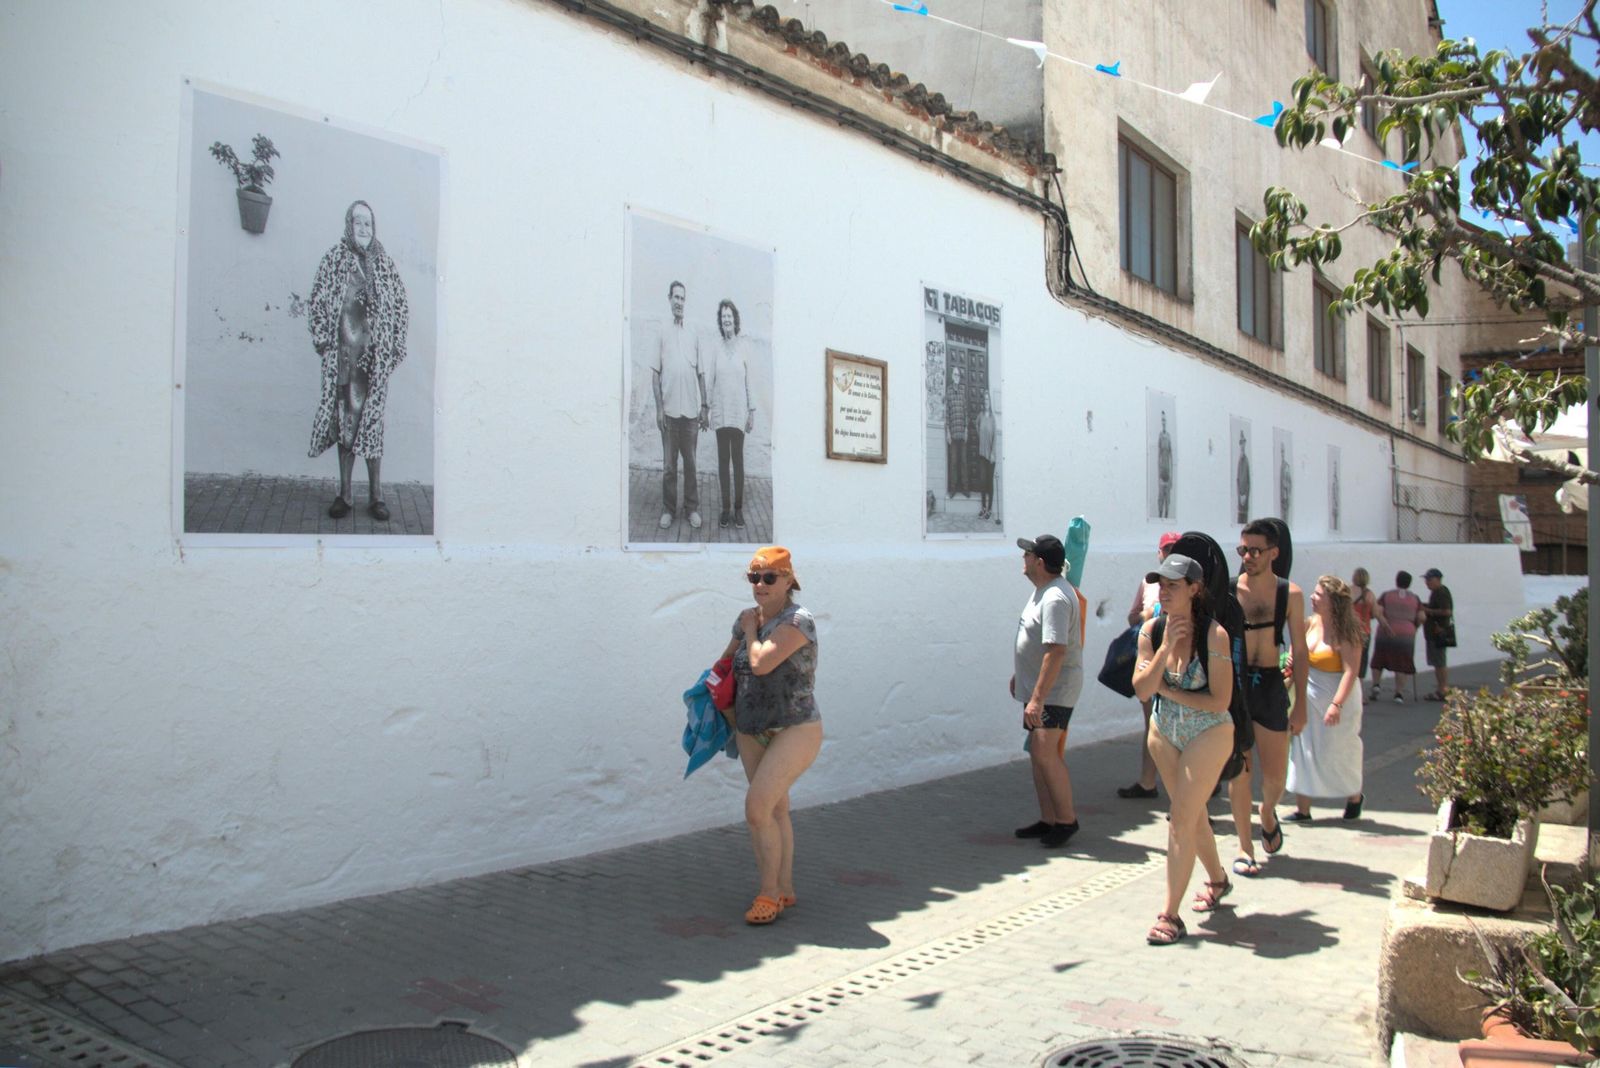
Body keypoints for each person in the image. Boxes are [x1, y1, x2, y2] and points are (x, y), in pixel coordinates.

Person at [714, 546, 821, 925]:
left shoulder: (798, 620)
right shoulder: (747, 618)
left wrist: (749, 630)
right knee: (775, 809)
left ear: (789, 580)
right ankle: (785, 887)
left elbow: (760, 663)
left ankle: (768, 894)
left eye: (769, 577)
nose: (760, 584)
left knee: (756, 807)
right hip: (750, 727)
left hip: (796, 727)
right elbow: (727, 663)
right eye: (753, 577)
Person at [1133, 553, 1236, 945]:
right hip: (1164, 732)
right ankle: (1218, 880)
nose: (1165, 591)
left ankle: (1170, 915)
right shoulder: (1152, 630)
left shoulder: (1215, 635)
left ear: (1195, 589)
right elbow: (1141, 689)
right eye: (1161, 584)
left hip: (1209, 732)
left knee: (1180, 817)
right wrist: (1163, 652)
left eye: (1173, 585)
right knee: (1191, 816)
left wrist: (1169, 689)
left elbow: (1219, 701)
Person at [307, 200, 410, 521]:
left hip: (374, 365)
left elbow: (401, 307)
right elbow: (317, 301)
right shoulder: (334, 260)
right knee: (345, 426)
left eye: (368, 223)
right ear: (348, 226)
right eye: (357, 223)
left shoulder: (384, 264)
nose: (363, 229)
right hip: (345, 363)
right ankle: (345, 494)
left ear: (373, 226)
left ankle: (376, 496)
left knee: (373, 427)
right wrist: (324, 342)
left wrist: (394, 347)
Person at [1227, 519, 1307, 876]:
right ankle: (1245, 847)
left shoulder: (1289, 593)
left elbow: (1300, 651)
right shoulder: (1228, 591)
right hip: (1238, 687)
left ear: (1274, 553)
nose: (1248, 557)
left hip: (1272, 684)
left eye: (1255, 551)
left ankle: (1267, 811)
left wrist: (1301, 704)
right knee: (1239, 771)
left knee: (1274, 776)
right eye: (1243, 550)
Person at [1011, 534, 1084, 848]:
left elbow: (1055, 650)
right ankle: (1048, 819)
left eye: (1027, 554)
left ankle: (1066, 821)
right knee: (1038, 755)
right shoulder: (1043, 591)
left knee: (1045, 752)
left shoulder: (1055, 597)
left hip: (1054, 691)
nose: (1023, 559)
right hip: (1040, 688)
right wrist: (1022, 677)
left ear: (1039, 562)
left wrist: (1038, 698)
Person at [1285, 576, 1366, 821]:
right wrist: (1291, 661)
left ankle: (1354, 796)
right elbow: (1296, 652)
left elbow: (1351, 671)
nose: (1312, 597)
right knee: (1303, 748)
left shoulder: (1348, 631)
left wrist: (1336, 705)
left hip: (1338, 696)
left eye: (1318, 594)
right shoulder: (1309, 624)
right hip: (1308, 696)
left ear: (1332, 601)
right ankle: (1303, 809)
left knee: (1339, 750)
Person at [1118, 531, 1182, 800]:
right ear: (1159, 553)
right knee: (1152, 723)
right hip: (1151, 657)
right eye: (1166, 549)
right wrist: (1149, 614)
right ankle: (1147, 782)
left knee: (1179, 726)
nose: (1169, 553)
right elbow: (1132, 617)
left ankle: (1189, 788)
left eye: (1174, 549)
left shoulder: (1188, 581)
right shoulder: (1149, 582)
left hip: (1178, 663)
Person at [653, 281, 709, 531]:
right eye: (675, 297)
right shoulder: (662, 331)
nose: (679, 302)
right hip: (669, 413)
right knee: (668, 467)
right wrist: (657, 409)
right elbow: (655, 374)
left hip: (690, 414)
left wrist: (704, 406)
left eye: (682, 298)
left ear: (685, 301)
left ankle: (692, 508)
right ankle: (668, 509)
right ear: (669, 299)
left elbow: (701, 373)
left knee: (691, 465)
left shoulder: (693, 333)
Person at [707, 299, 755, 530]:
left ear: (735, 320)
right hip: (720, 412)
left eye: (730, 316)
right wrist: (705, 407)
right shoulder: (716, 348)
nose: (727, 320)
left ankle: (738, 509)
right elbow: (710, 380)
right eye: (723, 316)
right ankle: (725, 509)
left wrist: (752, 411)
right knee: (723, 462)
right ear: (721, 321)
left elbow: (749, 382)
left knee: (738, 461)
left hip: (738, 414)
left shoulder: (744, 347)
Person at [1369, 571, 1423, 703]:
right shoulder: (1415, 598)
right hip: (1406, 634)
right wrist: (1415, 627)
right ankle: (1398, 693)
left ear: (1396, 580)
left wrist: (1385, 623)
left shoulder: (1387, 595)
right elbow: (1422, 616)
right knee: (1402, 664)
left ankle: (1376, 685)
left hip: (1386, 631)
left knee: (1379, 659)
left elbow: (1377, 611)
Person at [1420, 568, 1454, 700]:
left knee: (1440, 662)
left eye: (1429, 580)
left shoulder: (1441, 592)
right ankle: (1441, 688)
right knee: (1437, 662)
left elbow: (1447, 611)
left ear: (1438, 579)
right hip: (1434, 632)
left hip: (1439, 631)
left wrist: (1427, 610)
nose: (1427, 582)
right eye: (1426, 580)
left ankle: (1443, 689)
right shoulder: (1436, 592)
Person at [1350, 567, 1377, 680]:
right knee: (1362, 661)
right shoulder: (1370, 594)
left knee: (1349, 660)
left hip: (1350, 630)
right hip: (1364, 631)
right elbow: (1374, 614)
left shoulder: (1348, 591)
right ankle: (1359, 689)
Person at [946, 366, 969, 497]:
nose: (956, 377)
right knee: (954, 462)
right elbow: (947, 414)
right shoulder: (948, 391)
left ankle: (965, 488)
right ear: (951, 376)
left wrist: (966, 429)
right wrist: (947, 432)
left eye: (958, 375)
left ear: (960, 377)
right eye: (955, 374)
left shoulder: (963, 390)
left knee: (964, 462)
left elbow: (966, 412)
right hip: (953, 433)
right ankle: (953, 488)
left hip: (962, 432)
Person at [975, 392, 997, 520]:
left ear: (990, 402)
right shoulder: (981, 416)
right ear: (984, 402)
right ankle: (983, 508)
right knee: (982, 482)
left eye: (988, 399)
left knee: (990, 484)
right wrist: (980, 436)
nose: (986, 401)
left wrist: (993, 453)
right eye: (985, 399)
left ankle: (989, 510)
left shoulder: (993, 419)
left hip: (991, 456)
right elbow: (976, 424)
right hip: (982, 454)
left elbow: (995, 438)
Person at [1156, 413, 1173, 518]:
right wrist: (1158, 475)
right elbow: (1158, 455)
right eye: (1162, 420)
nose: (1163, 422)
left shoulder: (1168, 437)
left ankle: (1166, 516)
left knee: (1168, 501)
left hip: (1168, 472)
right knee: (1160, 499)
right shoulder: (1160, 436)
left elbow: (1171, 457)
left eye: (1164, 420)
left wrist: (1172, 478)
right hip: (1162, 472)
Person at [1235, 432, 1250, 523]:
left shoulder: (1245, 460)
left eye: (1243, 443)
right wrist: (1239, 495)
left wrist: (1245, 495)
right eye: (1241, 443)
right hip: (1240, 498)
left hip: (1245, 498)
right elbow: (1237, 480)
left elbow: (1248, 481)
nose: (1242, 446)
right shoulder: (1240, 460)